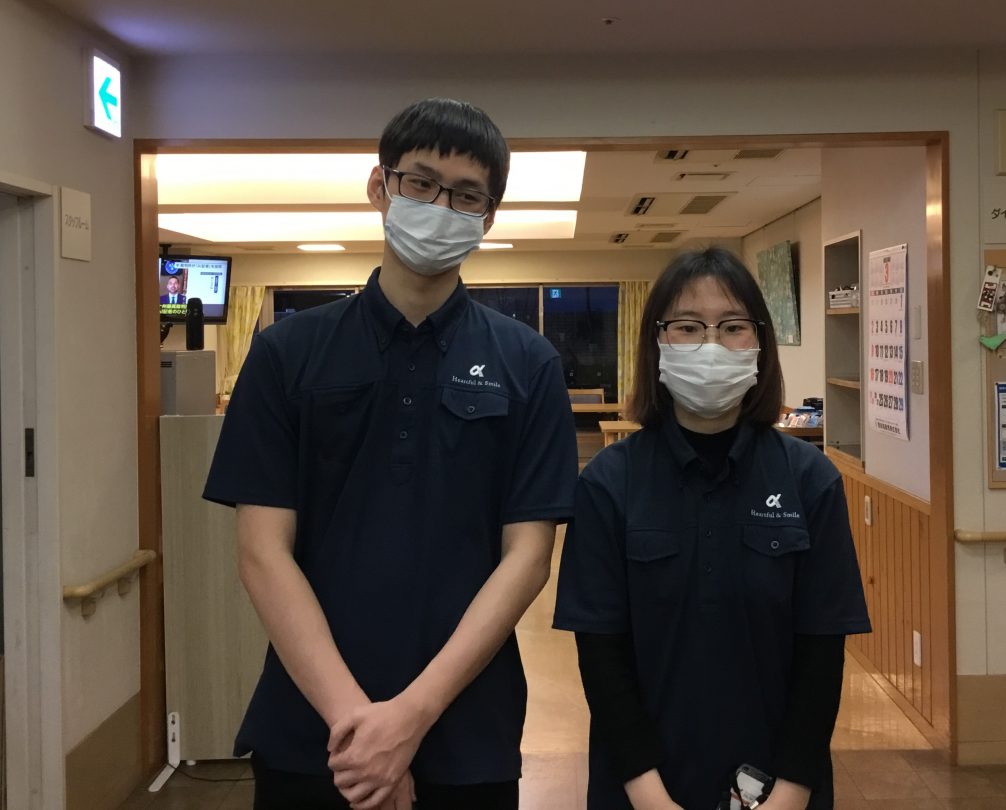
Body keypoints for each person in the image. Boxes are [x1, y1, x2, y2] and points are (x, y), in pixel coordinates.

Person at [203, 98, 578, 810]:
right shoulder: (287, 353)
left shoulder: (528, 364)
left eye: (466, 195)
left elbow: (529, 558)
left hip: (467, 730)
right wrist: (358, 725)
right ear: (380, 186)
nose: (440, 206)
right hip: (312, 729)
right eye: (421, 183)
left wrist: (409, 718)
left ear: (488, 217)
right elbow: (261, 553)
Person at [554, 247, 871, 810]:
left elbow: (822, 653)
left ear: (759, 343)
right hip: (641, 786)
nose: (710, 346)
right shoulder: (609, 482)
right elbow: (601, 658)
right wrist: (650, 797)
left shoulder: (809, 480)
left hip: (780, 785)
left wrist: (791, 792)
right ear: (657, 342)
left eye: (731, 327)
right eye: (687, 327)